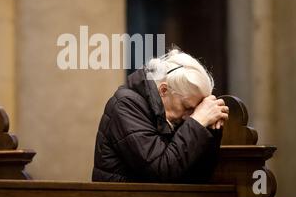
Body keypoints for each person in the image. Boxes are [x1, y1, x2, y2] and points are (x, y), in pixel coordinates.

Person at [92, 48, 229, 183]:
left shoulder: (176, 117)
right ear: (163, 90)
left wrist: (210, 128)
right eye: (187, 107)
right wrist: (197, 122)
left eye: (197, 110)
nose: (189, 116)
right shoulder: (126, 105)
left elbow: (198, 176)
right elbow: (161, 172)